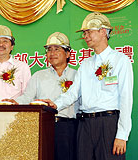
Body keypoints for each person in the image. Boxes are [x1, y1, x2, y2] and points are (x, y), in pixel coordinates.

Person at [44, 12, 133, 160]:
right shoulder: (85, 64)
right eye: (84, 33)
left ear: (103, 32)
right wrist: (56, 104)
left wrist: (122, 135)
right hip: (85, 125)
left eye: (89, 32)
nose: (85, 36)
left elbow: (126, 99)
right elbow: (73, 93)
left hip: (109, 124)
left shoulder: (120, 60)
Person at [4, 32, 78, 160]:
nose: (52, 53)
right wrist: (15, 102)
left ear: (67, 54)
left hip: (68, 128)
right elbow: (27, 97)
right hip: (43, 127)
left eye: (57, 49)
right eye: (49, 50)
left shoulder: (77, 75)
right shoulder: (38, 76)